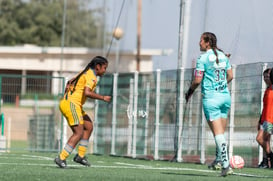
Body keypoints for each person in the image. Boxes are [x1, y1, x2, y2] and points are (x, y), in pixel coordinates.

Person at [185, 32, 233, 177]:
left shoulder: (203, 58)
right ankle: (218, 160)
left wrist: (189, 92)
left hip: (211, 99)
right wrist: (221, 85)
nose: (199, 43)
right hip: (225, 97)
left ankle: (226, 166)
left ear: (207, 42)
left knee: (217, 134)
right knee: (220, 133)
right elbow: (230, 76)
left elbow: (197, 80)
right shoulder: (223, 56)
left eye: (201, 40)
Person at [54, 56, 111, 168]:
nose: (105, 70)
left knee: (88, 126)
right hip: (72, 105)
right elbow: (87, 93)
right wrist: (103, 97)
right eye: (104, 67)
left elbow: (70, 81)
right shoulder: (91, 76)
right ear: (97, 67)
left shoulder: (85, 72)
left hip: (72, 104)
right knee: (78, 133)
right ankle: (61, 158)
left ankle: (80, 156)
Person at [256, 68, 273, 169]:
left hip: (270, 119)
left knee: (261, 139)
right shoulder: (267, 90)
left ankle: (269, 158)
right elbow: (265, 107)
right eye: (264, 77)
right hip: (265, 119)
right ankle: (267, 160)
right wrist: (260, 120)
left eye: (268, 76)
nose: (266, 78)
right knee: (265, 141)